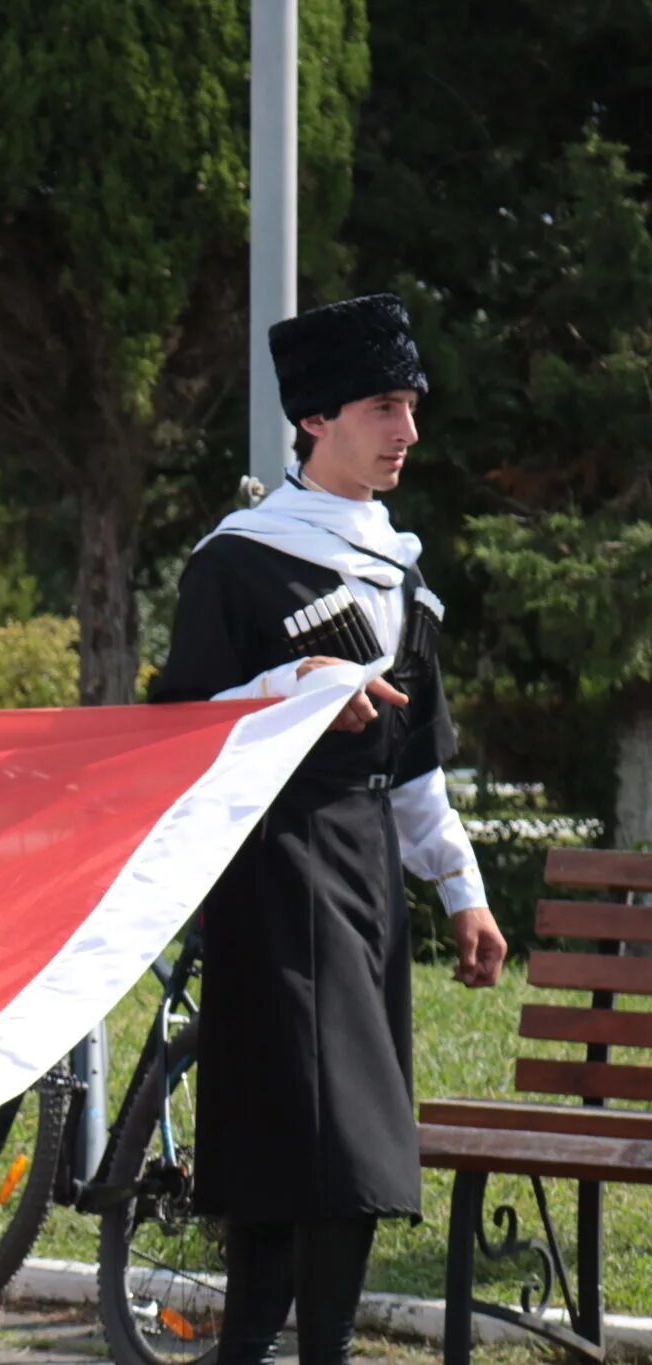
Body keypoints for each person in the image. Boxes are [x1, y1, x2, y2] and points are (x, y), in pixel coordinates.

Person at [151, 293, 510, 1363]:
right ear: (313, 417)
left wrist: (462, 889)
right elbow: (168, 733)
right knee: (315, 1143)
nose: (406, 432)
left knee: (317, 1148)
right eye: (383, 406)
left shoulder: (399, 575)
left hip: (359, 888)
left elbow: (411, 771)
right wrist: (286, 683)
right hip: (268, 874)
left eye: (409, 406)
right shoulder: (238, 561)